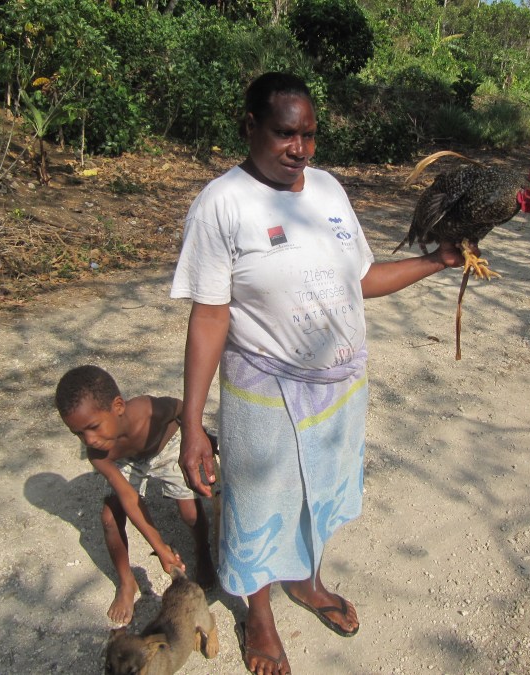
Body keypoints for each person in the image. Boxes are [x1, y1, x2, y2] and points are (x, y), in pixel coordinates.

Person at [170, 72, 469, 675]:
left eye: (309, 134)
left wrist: (436, 261)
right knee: (258, 503)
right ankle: (259, 615)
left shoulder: (329, 190)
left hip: (338, 388)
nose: (300, 149)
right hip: (265, 392)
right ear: (250, 127)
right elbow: (210, 315)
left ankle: (306, 580)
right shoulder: (222, 204)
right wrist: (193, 423)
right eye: (286, 134)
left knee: (319, 493)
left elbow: (361, 280)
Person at [54, 365, 216, 626]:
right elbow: (130, 498)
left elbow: (180, 408)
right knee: (109, 519)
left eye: (93, 427)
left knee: (190, 513)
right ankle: (126, 582)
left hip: (166, 447)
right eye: (78, 433)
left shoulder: (148, 411)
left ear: (118, 406)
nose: (89, 440)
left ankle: (203, 550)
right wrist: (159, 548)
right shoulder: (99, 453)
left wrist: (198, 435)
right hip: (126, 461)